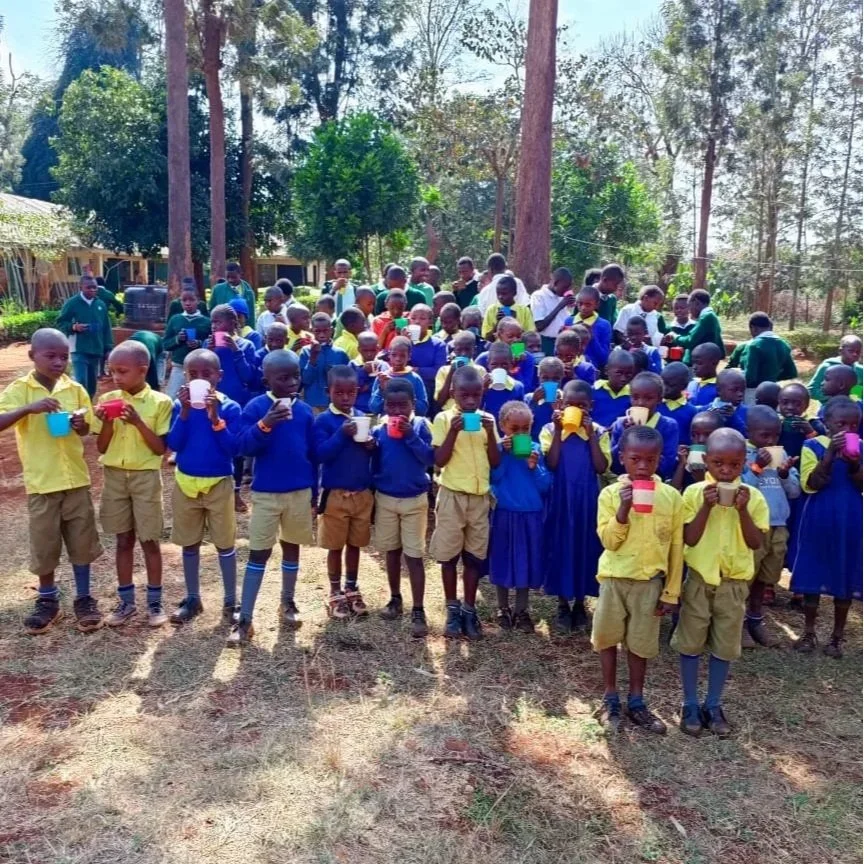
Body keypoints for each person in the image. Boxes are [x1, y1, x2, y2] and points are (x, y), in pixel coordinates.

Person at [0, 329, 102, 633]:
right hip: (42, 483)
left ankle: (84, 598)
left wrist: (81, 424)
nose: (59, 362)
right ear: (33, 356)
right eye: (51, 356)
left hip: (75, 479)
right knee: (45, 545)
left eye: (64, 356)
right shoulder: (21, 389)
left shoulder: (75, 389)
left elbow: (88, 429)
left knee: (81, 541)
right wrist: (28, 409)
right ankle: (47, 600)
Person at [672, 428, 769, 738]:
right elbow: (689, 537)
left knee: (725, 646)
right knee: (690, 642)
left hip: (734, 584)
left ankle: (713, 704)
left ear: (744, 462)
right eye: (718, 463)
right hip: (699, 580)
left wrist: (742, 511)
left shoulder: (753, 497)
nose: (726, 471)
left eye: (734, 464)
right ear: (706, 462)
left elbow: (756, 543)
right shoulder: (693, 493)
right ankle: (689, 703)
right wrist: (706, 506)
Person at [592, 425, 683, 734]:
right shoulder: (609, 494)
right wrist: (623, 510)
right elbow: (608, 541)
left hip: (649, 583)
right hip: (614, 580)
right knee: (606, 637)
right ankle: (609, 696)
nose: (643, 466)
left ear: (661, 459)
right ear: (622, 459)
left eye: (651, 460)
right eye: (635, 459)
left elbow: (676, 547)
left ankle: (636, 699)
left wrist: (671, 591)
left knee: (641, 644)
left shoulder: (671, 497)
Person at [232, 350, 316, 644]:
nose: (292, 382)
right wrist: (265, 424)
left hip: (299, 492)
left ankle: (287, 602)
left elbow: (313, 454)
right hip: (267, 494)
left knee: (292, 548)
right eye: (283, 378)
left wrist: (315, 492)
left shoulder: (305, 411)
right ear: (267, 379)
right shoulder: (256, 408)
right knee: (259, 553)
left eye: (296, 376)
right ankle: (245, 618)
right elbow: (242, 446)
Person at [93, 342, 172, 627]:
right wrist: (108, 423)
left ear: (143, 370)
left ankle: (154, 603)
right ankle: (126, 602)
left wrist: (138, 422)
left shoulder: (161, 403)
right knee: (123, 539)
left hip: (145, 478)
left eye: (122, 371)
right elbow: (102, 447)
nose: (116, 377)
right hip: (115, 476)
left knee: (149, 539)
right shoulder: (109, 399)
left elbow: (159, 449)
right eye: (112, 371)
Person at [166, 349, 243, 626]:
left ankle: (230, 600)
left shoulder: (230, 407)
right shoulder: (179, 407)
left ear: (218, 377)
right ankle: (192, 598)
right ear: (185, 377)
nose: (200, 379)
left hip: (219, 484)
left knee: (225, 544)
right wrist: (185, 412)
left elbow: (232, 449)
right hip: (186, 483)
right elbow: (174, 444)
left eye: (206, 374)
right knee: (190, 543)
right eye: (193, 374)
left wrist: (214, 418)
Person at [429, 365, 501, 639]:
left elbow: (495, 461)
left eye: (476, 395)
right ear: (452, 393)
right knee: (449, 556)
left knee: (474, 557)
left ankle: (470, 610)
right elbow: (439, 460)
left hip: (480, 498)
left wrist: (491, 433)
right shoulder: (444, 419)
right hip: (452, 495)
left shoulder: (487, 420)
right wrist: (454, 433)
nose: (471, 401)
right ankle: (452, 609)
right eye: (465, 395)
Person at [789, 397, 862, 658]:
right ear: (826, 423)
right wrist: (830, 454)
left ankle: (837, 637)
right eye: (841, 423)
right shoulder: (812, 446)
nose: (847, 429)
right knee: (814, 571)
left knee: (845, 572)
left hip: (851, 518)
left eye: (854, 425)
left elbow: (861, 485)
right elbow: (811, 484)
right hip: (820, 516)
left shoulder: (861, 447)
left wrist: (854, 462)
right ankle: (808, 632)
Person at [541, 380, 610, 634]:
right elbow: (552, 463)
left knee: (584, 546)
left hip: (586, 500)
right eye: (571, 405)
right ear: (561, 404)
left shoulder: (599, 432)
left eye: (582, 406)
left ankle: (580, 602)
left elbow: (601, 467)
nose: (577, 409)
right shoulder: (550, 429)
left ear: (590, 407)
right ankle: (561, 602)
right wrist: (560, 430)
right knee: (560, 545)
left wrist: (590, 435)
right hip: (560, 497)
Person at [313, 365, 376, 620]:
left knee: (355, 544)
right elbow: (320, 454)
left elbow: (370, 453)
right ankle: (335, 590)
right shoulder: (324, 421)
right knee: (335, 546)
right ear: (329, 392)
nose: (345, 397)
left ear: (358, 391)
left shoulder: (362, 415)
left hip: (361, 493)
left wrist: (373, 445)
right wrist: (341, 434)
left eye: (350, 392)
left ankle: (352, 586)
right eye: (339, 392)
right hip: (335, 494)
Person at [374, 379, 435, 638]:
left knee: (414, 555)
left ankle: (418, 608)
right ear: (384, 406)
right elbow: (375, 462)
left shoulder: (421, 426)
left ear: (414, 405)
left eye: (403, 406)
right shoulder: (379, 430)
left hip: (414, 499)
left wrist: (410, 435)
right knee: (391, 550)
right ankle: (395, 598)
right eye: (391, 406)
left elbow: (428, 458)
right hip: (386, 498)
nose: (397, 412)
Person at [740, 406, 800, 649]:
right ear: (749, 431)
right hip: (753, 526)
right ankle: (739, 624)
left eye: (775, 435)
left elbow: (794, 492)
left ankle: (756, 619)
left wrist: (785, 474)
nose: (771, 441)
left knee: (765, 578)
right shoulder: (741, 453)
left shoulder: (782, 454)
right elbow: (741, 486)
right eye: (765, 435)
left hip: (778, 526)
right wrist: (757, 467)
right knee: (745, 577)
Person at [489, 401, 551, 632]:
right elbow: (493, 478)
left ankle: (522, 609)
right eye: (514, 429)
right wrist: (503, 454)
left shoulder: (535, 449)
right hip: (505, 512)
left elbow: (545, 486)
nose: (520, 434)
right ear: (503, 425)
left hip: (531, 515)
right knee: (503, 558)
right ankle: (502, 608)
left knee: (527, 561)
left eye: (525, 428)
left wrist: (535, 467)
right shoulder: (498, 450)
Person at [206, 304, 258, 510]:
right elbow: (201, 371)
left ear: (233, 324)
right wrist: (207, 351)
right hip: (213, 402)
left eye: (218, 322)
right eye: (212, 322)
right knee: (214, 444)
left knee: (235, 450)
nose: (213, 326)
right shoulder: (209, 344)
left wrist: (236, 352)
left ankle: (235, 492)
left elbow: (249, 377)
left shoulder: (246, 345)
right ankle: (212, 491)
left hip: (236, 404)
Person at [609, 372, 679, 480]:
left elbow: (667, 468)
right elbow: (613, 466)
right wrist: (626, 435)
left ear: (659, 400)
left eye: (648, 398)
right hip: (624, 484)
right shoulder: (620, 425)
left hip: (655, 484)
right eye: (635, 398)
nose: (640, 403)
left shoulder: (668, 426)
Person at [56, 275, 114, 398]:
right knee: (81, 381)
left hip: (96, 349)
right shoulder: (72, 303)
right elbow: (60, 322)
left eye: (95, 287)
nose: (92, 290)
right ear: (81, 287)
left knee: (92, 384)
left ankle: (87, 408)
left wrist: (108, 347)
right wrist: (73, 327)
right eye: (89, 287)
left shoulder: (100, 304)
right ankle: (78, 409)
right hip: (79, 349)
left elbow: (106, 327)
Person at [163, 285, 212, 398]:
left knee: (200, 397)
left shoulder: (206, 322)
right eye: (184, 300)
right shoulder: (175, 320)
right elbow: (165, 344)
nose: (188, 303)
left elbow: (212, 342)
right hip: (179, 367)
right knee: (172, 398)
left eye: (191, 300)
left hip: (200, 369)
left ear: (198, 301)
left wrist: (200, 343)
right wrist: (177, 339)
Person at [738, 313, 797, 403]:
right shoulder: (784, 345)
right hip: (773, 392)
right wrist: (771, 378)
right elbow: (791, 373)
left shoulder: (754, 345)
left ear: (753, 328)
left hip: (754, 394)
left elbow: (750, 378)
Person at [299, 312, 350, 413]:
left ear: (331, 330)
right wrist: (312, 358)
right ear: (311, 331)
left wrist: (334, 374)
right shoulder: (305, 351)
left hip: (335, 404)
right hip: (312, 403)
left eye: (325, 331)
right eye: (317, 331)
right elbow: (304, 380)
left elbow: (348, 379)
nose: (322, 335)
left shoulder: (340, 353)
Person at [662, 289, 725, 364]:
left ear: (696, 302)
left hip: (702, 363)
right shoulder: (711, 316)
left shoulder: (706, 317)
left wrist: (675, 337)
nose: (690, 311)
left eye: (689, 306)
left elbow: (690, 340)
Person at [369, 336, 427, 416]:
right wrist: (381, 389)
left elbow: (423, 409)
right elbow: (374, 408)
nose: (398, 359)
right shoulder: (382, 378)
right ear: (389, 355)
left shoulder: (415, 378)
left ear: (409, 356)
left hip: (408, 422)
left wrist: (408, 396)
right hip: (387, 422)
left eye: (402, 356)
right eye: (394, 355)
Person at [477, 318, 538, 392]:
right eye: (510, 336)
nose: (515, 340)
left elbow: (526, 388)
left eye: (518, 336)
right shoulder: (485, 358)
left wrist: (514, 367)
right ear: (499, 336)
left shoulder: (527, 358)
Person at [669, 411, 722, 493]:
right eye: (694, 435)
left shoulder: (723, 463)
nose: (700, 440)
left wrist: (702, 480)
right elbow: (673, 492)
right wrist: (682, 464)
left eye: (707, 435)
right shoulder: (685, 458)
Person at [408, 303, 447, 412]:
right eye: (413, 318)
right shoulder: (404, 341)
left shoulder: (438, 344)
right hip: (407, 390)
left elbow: (438, 371)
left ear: (430, 322)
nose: (417, 321)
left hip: (429, 390)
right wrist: (405, 341)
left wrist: (417, 370)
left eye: (422, 318)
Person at [530, 267, 575, 355]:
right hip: (547, 342)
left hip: (563, 343)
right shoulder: (539, 296)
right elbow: (539, 326)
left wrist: (573, 307)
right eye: (565, 287)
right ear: (555, 283)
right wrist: (560, 306)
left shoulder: (562, 297)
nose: (567, 290)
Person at [481, 342, 526, 428]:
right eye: (494, 364)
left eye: (504, 364)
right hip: (486, 431)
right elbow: (475, 409)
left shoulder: (517, 387)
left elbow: (521, 415)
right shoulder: (481, 385)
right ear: (488, 364)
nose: (499, 368)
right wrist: (482, 390)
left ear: (511, 364)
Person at [808, 335, 863, 403]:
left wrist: (852, 400)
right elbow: (812, 390)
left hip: (851, 409)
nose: (855, 354)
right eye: (851, 351)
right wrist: (831, 398)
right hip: (828, 408)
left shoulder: (860, 371)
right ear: (840, 351)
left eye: (858, 352)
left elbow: (859, 391)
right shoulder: (827, 366)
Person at [591, 349, 635, 429]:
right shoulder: (594, 390)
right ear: (607, 370)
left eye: (628, 374)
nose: (623, 379)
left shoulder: (632, 395)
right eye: (619, 373)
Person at [482, 275, 535, 341]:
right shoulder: (491, 310)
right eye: (498, 293)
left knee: (518, 351)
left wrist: (515, 324)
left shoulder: (524, 310)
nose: (500, 296)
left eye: (504, 294)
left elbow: (530, 336)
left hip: (518, 347)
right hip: (499, 347)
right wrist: (498, 324)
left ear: (514, 293)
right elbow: (486, 338)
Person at [435, 331, 477, 412]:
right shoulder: (444, 371)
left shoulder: (479, 370)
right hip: (449, 413)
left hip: (473, 413)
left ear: (474, 350)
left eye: (467, 349)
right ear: (454, 350)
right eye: (459, 350)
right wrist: (451, 372)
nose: (463, 354)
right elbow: (440, 401)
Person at [573, 285, 612, 371]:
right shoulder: (569, 321)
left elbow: (604, 358)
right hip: (570, 369)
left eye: (588, 304)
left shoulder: (604, 325)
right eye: (580, 303)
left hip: (591, 372)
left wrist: (592, 337)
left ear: (597, 305)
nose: (583, 307)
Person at [527, 356, 565, 440]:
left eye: (556, 378)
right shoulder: (529, 398)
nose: (550, 382)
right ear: (538, 376)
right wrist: (534, 401)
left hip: (556, 444)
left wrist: (561, 409)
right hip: (535, 443)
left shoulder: (566, 399)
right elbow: (523, 424)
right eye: (545, 378)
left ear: (562, 377)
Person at [658, 362, 697, 446]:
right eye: (663, 383)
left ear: (684, 386)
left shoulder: (691, 411)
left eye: (670, 385)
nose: (665, 388)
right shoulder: (655, 405)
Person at [352, 332, 389, 415]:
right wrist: (363, 372)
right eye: (365, 350)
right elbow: (351, 388)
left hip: (380, 411)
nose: (369, 354)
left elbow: (386, 387)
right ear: (359, 349)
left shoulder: (383, 365)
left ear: (378, 349)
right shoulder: (353, 365)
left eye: (372, 350)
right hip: (359, 411)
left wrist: (367, 386)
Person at [708, 368, 748, 437]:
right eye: (734, 390)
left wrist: (733, 418)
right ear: (719, 390)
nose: (740, 394)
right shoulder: (706, 410)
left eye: (743, 390)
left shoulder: (748, 413)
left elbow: (748, 436)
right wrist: (711, 418)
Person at [686, 343, 723, 407]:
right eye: (693, 362)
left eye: (699, 363)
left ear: (714, 363)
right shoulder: (691, 384)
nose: (694, 367)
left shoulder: (720, 388)